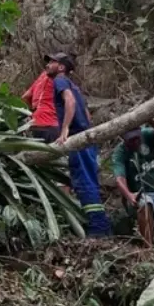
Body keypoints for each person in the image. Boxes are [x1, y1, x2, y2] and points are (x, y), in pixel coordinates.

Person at [45, 52, 111, 236]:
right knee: (89, 181)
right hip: (87, 139)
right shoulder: (74, 86)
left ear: (61, 67)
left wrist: (65, 130)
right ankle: (101, 226)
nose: (48, 65)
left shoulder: (60, 81)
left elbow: (70, 102)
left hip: (78, 139)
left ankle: (98, 230)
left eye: (52, 62)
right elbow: (87, 113)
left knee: (84, 183)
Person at [21, 70, 59, 143]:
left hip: (34, 124)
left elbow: (25, 97)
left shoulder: (42, 77)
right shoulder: (59, 77)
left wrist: (33, 111)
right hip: (51, 125)